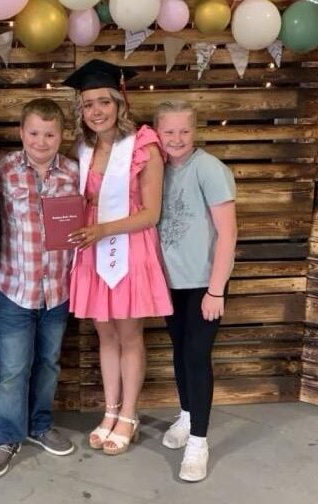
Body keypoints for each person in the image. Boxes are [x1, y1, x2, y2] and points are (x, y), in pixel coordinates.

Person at [64, 60, 173, 456]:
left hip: (128, 249)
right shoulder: (84, 148)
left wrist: (103, 230)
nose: (96, 111)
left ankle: (129, 414)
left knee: (129, 335)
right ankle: (109, 411)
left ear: (119, 102)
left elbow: (151, 213)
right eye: (89, 104)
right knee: (105, 335)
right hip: (92, 251)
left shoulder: (144, 145)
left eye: (103, 102)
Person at [0, 98, 78, 479]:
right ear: (22, 133)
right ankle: (6, 436)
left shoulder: (72, 172)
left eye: (50, 134)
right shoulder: (3, 170)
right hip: (15, 288)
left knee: (49, 362)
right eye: (34, 132)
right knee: (13, 369)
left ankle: (39, 424)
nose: (41, 141)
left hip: (58, 289)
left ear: (61, 135)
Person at [155, 100, 237, 482]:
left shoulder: (209, 168)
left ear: (195, 131)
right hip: (172, 283)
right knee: (180, 351)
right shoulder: (159, 168)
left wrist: (216, 290)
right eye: (169, 131)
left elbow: (228, 232)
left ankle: (199, 442)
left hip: (205, 283)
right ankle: (187, 416)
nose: (176, 138)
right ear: (157, 132)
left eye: (184, 131)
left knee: (197, 356)